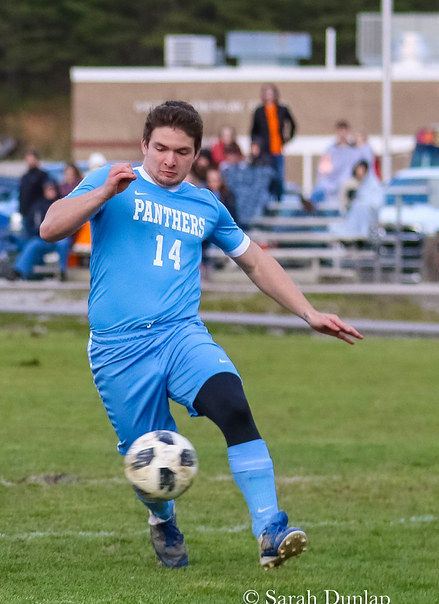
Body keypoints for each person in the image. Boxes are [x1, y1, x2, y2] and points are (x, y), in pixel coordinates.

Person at [39, 100, 362, 570]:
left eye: (182, 152)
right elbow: (50, 228)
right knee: (146, 461)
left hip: (180, 336)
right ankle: (162, 519)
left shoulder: (205, 204)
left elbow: (253, 260)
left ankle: (270, 528)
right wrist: (102, 192)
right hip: (118, 350)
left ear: (196, 155)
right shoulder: (114, 181)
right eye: (162, 149)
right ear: (144, 145)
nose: (169, 161)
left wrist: (308, 311)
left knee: (233, 404)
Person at [10, 181, 69, 280]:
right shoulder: (37, 207)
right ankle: (18, 271)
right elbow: (30, 224)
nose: (50, 192)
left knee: (64, 243)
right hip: (42, 238)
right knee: (32, 244)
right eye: (48, 189)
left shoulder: (62, 204)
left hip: (59, 237)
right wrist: (40, 233)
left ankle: (62, 271)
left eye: (52, 189)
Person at [250, 83, 296, 200]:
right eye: (267, 94)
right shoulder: (259, 111)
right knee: (266, 177)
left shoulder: (282, 109)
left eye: (271, 93)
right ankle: (267, 201)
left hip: (277, 149)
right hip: (264, 152)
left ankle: (279, 200)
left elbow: (293, 124)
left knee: (279, 177)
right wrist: (254, 145)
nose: (269, 96)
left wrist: (287, 139)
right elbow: (253, 130)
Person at [18, 149, 49, 220]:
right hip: (25, 211)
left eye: (32, 159)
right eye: (28, 160)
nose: (30, 162)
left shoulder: (42, 175)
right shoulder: (25, 177)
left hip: (37, 211)